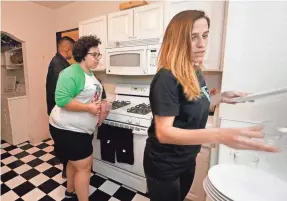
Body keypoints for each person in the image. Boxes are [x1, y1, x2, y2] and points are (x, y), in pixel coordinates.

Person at [143, 10, 279, 201]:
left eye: (205, 36)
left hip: (187, 159)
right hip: (164, 164)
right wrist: (221, 135)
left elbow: (191, 107)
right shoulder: (166, 78)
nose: (202, 44)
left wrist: (220, 97)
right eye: (193, 37)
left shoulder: (194, 71)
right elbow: (164, 133)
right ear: (178, 40)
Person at [49, 35, 107, 201]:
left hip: (79, 129)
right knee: (84, 167)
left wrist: (101, 104)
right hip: (68, 129)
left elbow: (87, 96)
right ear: (83, 54)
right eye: (94, 55)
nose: (98, 58)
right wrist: (89, 108)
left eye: (99, 55)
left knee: (72, 161)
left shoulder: (89, 73)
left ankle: (69, 192)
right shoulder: (71, 72)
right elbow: (61, 100)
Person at [45, 36, 75, 178]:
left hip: (57, 108)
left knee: (61, 140)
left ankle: (61, 158)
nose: (73, 53)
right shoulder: (58, 64)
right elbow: (62, 89)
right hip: (59, 109)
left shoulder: (60, 62)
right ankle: (66, 169)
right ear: (67, 49)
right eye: (72, 50)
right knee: (65, 141)